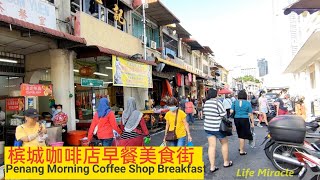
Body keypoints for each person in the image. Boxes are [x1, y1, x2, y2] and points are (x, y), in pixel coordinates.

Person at [203, 89, 232, 173]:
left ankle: (212, 166)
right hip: (218, 127)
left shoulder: (206, 103)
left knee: (211, 146)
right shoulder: (217, 102)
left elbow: (205, 114)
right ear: (216, 95)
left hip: (208, 127)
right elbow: (223, 115)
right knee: (224, 143)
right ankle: (226, 162)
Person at [230, 90, 254, 155]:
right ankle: (241, 151)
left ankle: (241, 147)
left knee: (240, 134)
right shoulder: (247, 103)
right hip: (245, 119)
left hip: (237, 119)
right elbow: (250, 114)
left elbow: (231, 111)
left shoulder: (234, 102)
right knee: (242, 135)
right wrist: (252, 123)